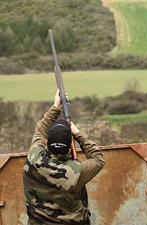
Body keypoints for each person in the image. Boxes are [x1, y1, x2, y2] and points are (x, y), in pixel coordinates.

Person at [23, 89, 105, 225]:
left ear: (47, 143)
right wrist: (77, 133)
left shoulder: (34, 158)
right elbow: (98, 159)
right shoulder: (76, 171)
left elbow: (40, 130)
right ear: (70, 147)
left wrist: (56, 106)